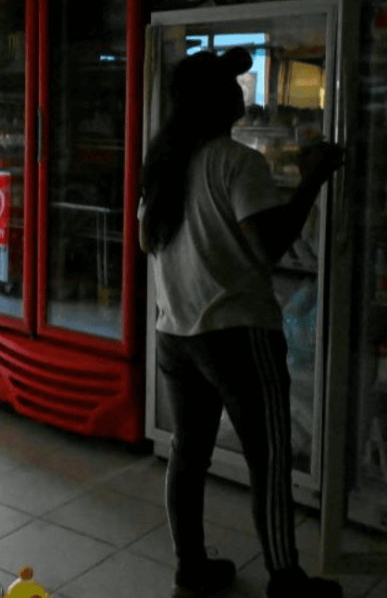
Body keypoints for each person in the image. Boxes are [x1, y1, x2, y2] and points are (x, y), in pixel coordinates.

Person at [139, 49, 345, 598]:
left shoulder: (164, 166)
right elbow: (270, 248)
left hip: (175, 334)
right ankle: (287, 580)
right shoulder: (236, 162)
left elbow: (148, 243)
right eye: (232, 83)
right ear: (214, 100)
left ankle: (192, 569)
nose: (242, 90)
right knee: (269, 458)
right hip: (236, 334)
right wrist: (311, 180)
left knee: (189, 452)